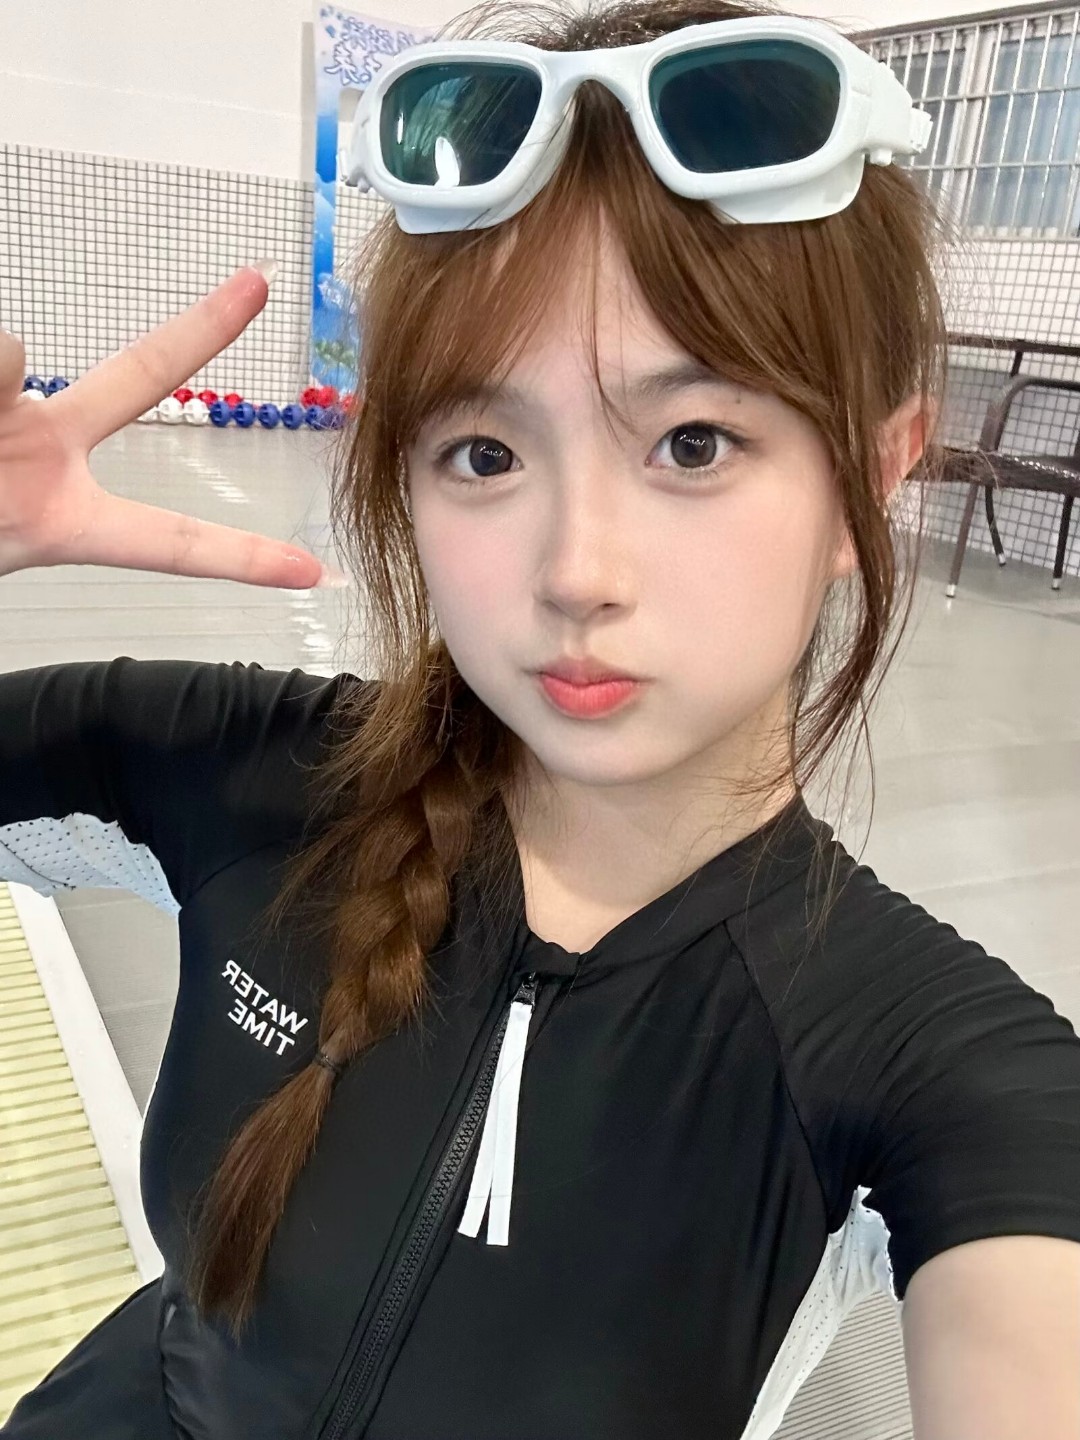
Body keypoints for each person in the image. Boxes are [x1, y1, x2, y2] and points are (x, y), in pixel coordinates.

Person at [2, 1, 1079, 1437]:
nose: (576, 572)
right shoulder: (250, 773)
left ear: (872, 478)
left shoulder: (922, 1059)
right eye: (484, 452)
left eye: (694, 441)